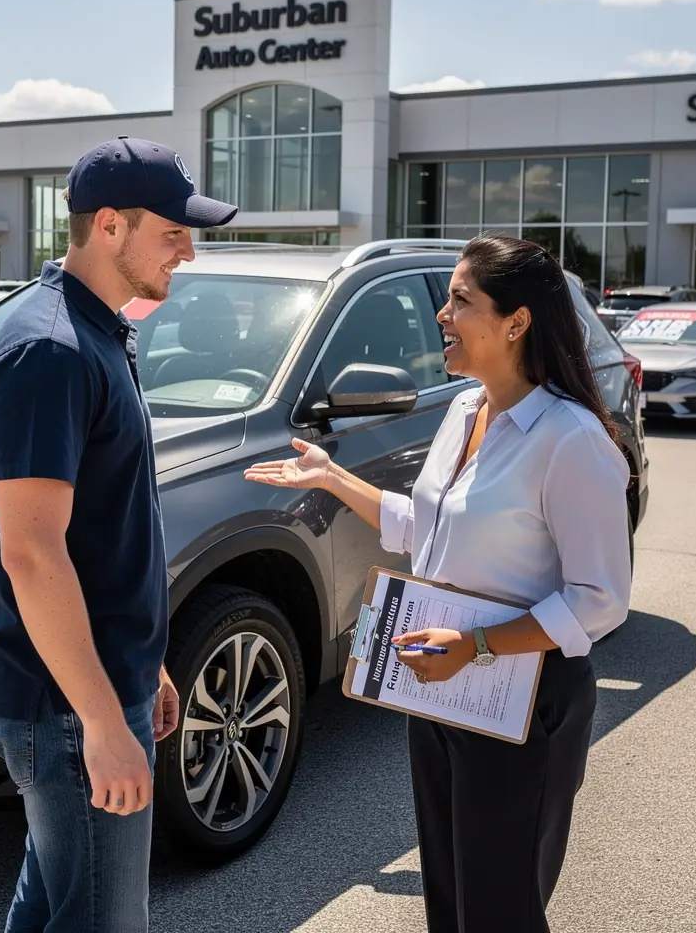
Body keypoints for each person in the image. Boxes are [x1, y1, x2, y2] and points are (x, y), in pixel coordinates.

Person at [244, 235, 631, 932]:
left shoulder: (572, 440)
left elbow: (597, 600)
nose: (442, 314)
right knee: (450, 902)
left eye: (460, 300)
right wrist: (333, 479)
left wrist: (477, 645)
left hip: (524, 699)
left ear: (516, 322)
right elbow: (428, 527)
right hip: (445, 689)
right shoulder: (463, 411)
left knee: (500, 910)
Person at [0, 136, 237, 931]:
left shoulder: (96, 330)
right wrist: (100, 720)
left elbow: (99, 533)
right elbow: (33, 552)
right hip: (63, 706)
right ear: (111, 225)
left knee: (54, 901)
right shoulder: (49, 350)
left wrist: (141, 669)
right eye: (174, 232)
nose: (188, 251)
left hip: (88, 689)